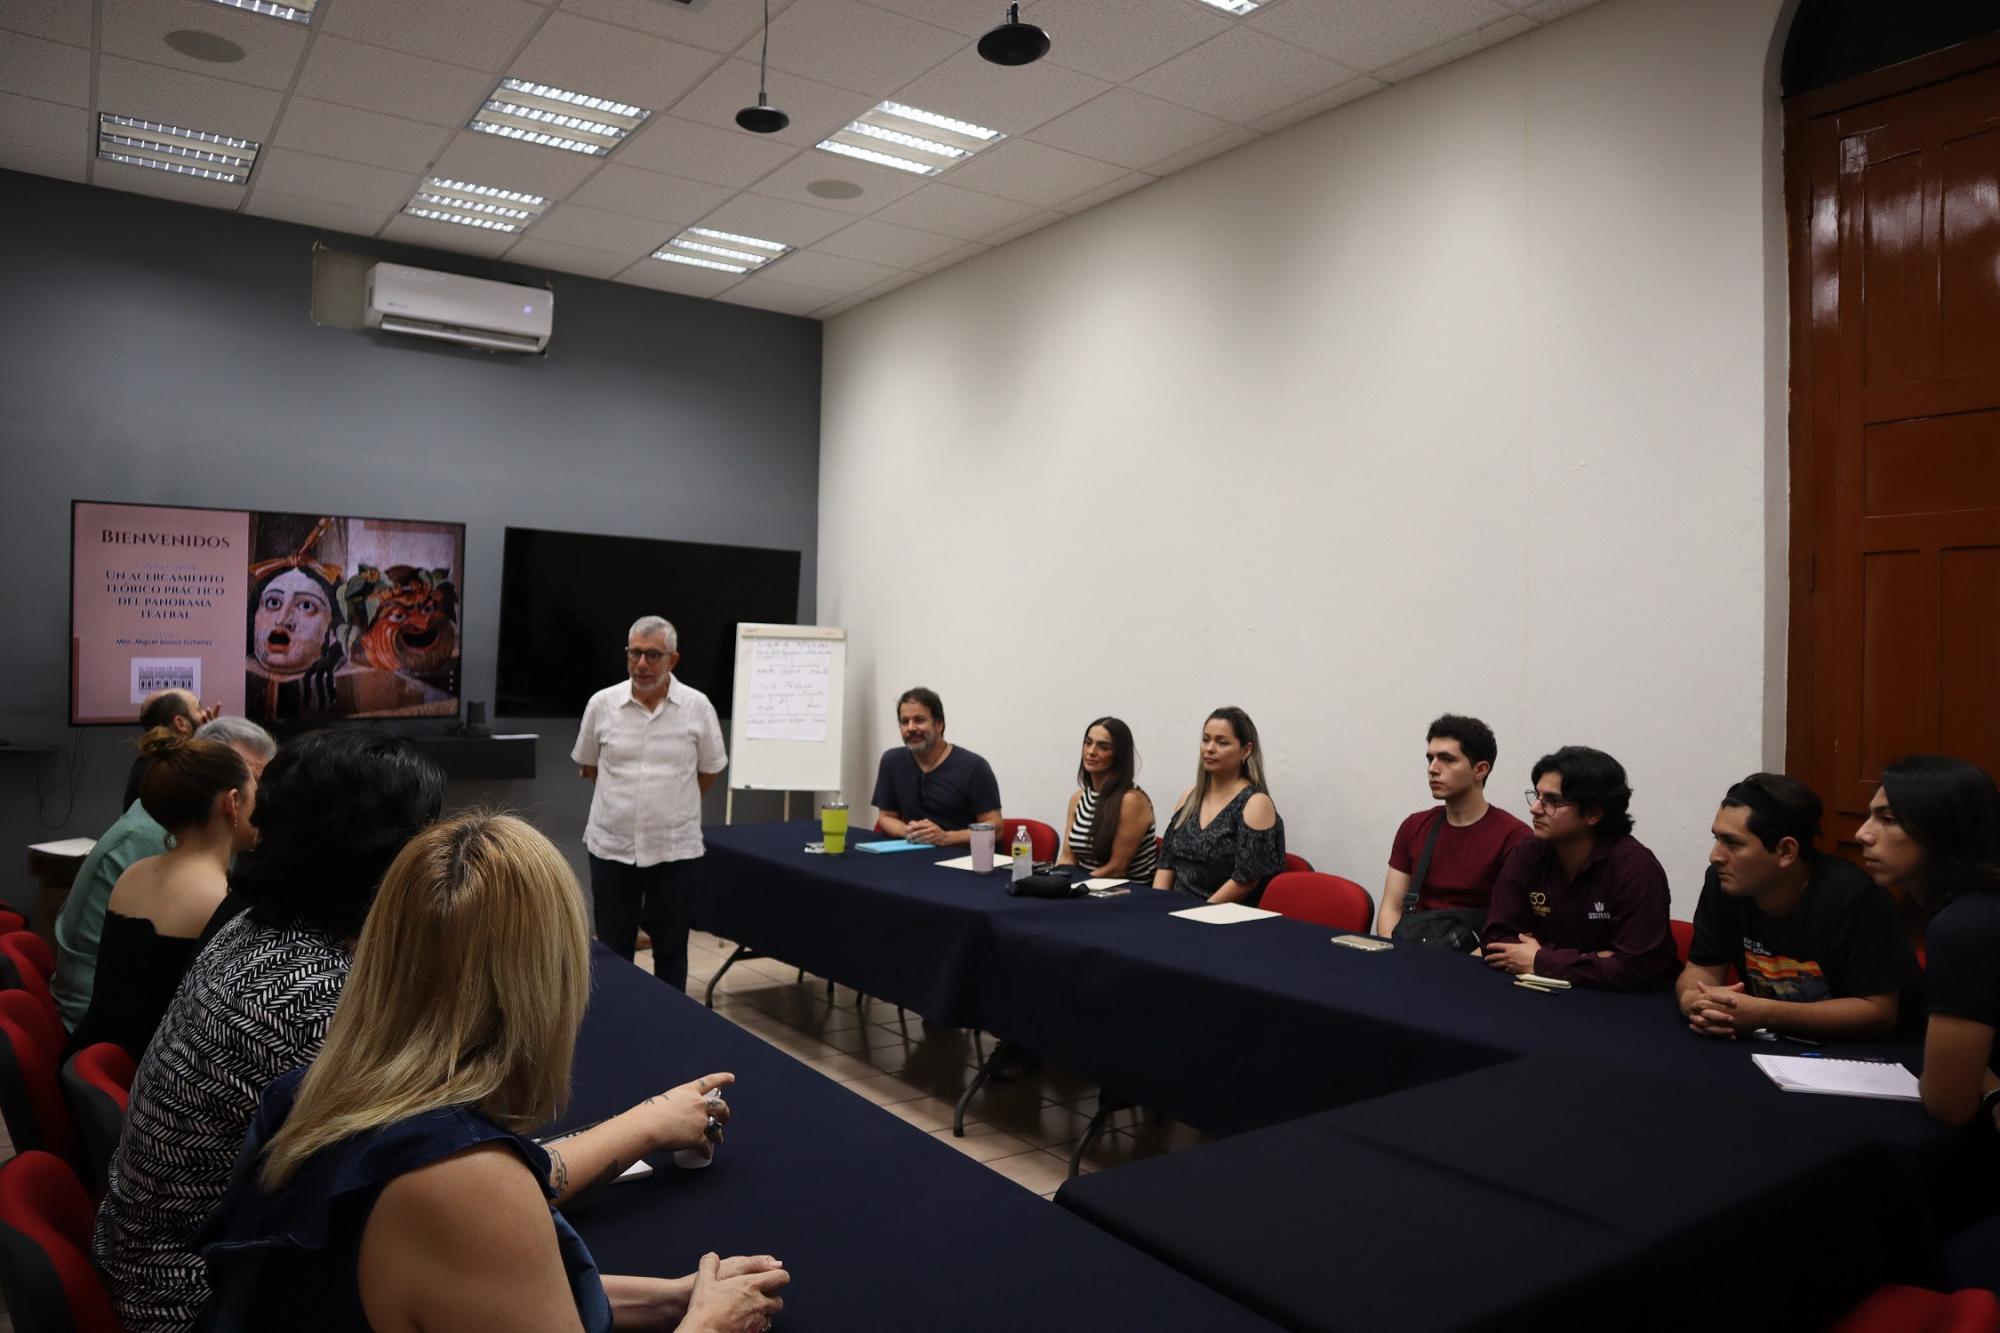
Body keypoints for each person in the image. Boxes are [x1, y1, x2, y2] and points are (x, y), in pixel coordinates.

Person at [198, 814, 789, 1332]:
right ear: (547, 984)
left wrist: (673, 1300)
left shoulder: (309, 1092)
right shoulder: (466, 1181)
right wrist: (709, 1323)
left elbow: (485, 1292)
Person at [1854, 755, 2000, 1293]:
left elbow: (1948, 1102)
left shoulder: (1966, 926)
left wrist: (1985, 1078)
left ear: (1943, 830)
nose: (1862, 833)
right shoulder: (1971, 909)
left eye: (1888, 818)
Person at [54, 715, 276, 1030]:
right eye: (256, 789)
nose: (265, 805)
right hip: (143, 1046)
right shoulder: (215, 897)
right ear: (232, 801)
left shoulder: (137, 871)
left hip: (104, 1042)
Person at [1677, 772, 1916, 1041]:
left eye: (1732, 843)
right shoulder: (1724, 882)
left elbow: (1879, 1012)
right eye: (1716, 839)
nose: (1715, 856)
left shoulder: (1856, 897)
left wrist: (1766, 1013)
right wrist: (1694, 1001)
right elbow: (1701, 969)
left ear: (1786, 852)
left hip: (1863, 1054)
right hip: (1770, 1047)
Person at [572, 616, 728, 993]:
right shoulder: (602, 704)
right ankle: (619, 1017)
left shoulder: (697, 707)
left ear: (673, 659)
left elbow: (709, 771)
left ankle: (671, 1022)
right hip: (611, 848)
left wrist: (669, 807)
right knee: (613, 949)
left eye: (653, 655)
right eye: (635, 653)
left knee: (671, 950)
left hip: (674, 851)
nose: (642, 664)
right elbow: (590, 767)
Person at [1481, 745, 1678, 991]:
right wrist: (1594, 960)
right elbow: (1495, 938)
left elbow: (1637, 967)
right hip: (1543, 991)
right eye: (1537, 796)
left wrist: (1541, 959)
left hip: (1625, 1002)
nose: (1534, 809)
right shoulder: (1529, 852)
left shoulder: (1635, 866)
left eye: (1553, 801)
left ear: (1593, 813)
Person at [1375, 714, 1530, 944]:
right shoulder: (1414, 826)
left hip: (1476, 956)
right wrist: (1396, 950)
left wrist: (1473, 960)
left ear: (1480, 770)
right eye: (1430, 758)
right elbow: (1391, 908)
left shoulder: (1515, 837)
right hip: (1410, 950)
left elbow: (1516, 927)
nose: (1433, 769)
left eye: (1447, 759)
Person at [1153, 708, 1284, 906]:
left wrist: (1199, 912)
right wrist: (1157, 904)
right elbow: (1166, 862)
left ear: (1246, 750)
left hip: (1221, 914)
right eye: (1206, 740)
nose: (1210, 748)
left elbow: (1245, 881)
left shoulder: (1255, 803)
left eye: (1222, 742)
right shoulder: (1190, 797)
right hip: (1175, 909)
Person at [871, 687, 1003, 848]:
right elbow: (886, 817)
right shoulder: (891, 761)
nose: (910, 728)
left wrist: (946, 837)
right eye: (904, 722)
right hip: (914, 854)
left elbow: (996, 828)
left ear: (939, 724)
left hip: (962, 856)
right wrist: (909, 832)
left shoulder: (974, 767)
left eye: (919, 720)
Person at [1057, 717, 1158, 880]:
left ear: (1119, 755)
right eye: (1088, 743)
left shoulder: (1131, 801)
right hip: (1085, 884)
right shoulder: (1078, 798)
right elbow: (1068, 857)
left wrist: (1078, 886)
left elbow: (1117, 869)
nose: (1091, 751)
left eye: (1103, 747)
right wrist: (1056, 881)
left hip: (1124, 888)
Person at [121, 689, 216, 812]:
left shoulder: (148, 762)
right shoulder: (180, 767)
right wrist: (215, 742)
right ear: (180, 723)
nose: (205, 714)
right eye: (199, 709)